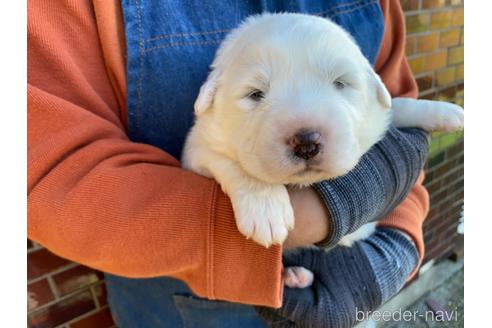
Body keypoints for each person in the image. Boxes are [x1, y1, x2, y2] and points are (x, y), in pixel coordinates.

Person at [28, 0, 429, 327]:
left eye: (338, 84)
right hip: (178, 299)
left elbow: (388, 99)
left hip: (354, 260)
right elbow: (46, 166)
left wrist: (398, 239)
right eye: (256, 93)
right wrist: (314, 213)